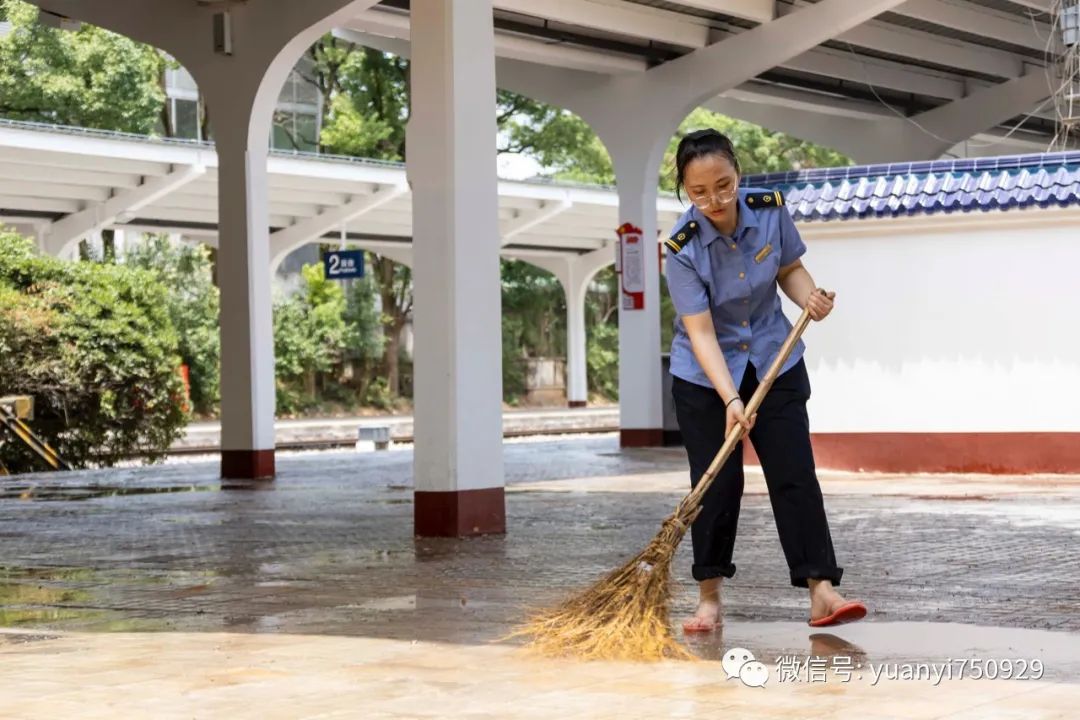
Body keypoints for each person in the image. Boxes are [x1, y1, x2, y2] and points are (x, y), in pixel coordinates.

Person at [663, 128, 866, 632]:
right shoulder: (682, 247)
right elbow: (702, 333)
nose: (715, 199)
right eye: (700, 191)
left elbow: (790, 269)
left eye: (724, 184)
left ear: (737, 173)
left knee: (794, 473)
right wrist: (731, 398)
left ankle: (821, 589)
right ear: (685, 191)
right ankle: (709, 596)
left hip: (776, 361)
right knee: (717, 484)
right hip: (705, 379)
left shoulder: (770, 209)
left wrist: (810, 298)